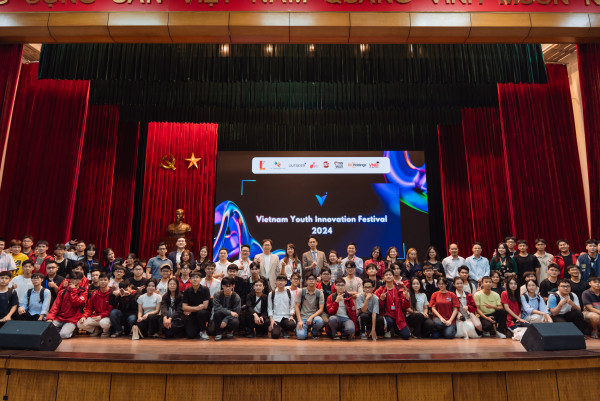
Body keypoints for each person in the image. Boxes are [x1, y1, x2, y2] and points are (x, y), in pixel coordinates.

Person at [46, 271, 88, 339]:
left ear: (80, 280)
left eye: (77, 279)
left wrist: (73, 290)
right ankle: (60, 331)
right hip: (60, 317)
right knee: (47, 330)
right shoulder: (62, 292)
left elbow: (76, 303)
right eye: (72, 279)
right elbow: (55, 306)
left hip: (72, 319)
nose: (74, 281)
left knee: (63, 335)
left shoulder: (83, 292)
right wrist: (50, 318)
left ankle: (70, 331)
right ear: (69, 279)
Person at [375, 269, 410, 339]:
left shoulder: (399, 289)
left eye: (390, 275)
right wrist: (381, 300)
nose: (388, 276)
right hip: (386, 315)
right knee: (388, 321)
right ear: (383, 278)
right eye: (386, 275)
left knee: (406, 336)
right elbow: (377, 308)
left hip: (398, 317)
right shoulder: (380, 290)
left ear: (393, 277)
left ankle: (396, 331)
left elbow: (405, 306)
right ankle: (386, 331)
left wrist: (407, 298)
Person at [77, 273, 112, 337]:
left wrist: (101, 316)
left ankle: (106, 331)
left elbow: (111, 309)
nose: (103, 282)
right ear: (98, 281)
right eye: (101, 280)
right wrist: (84, 316)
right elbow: (88, 307)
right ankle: (96, 330)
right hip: (96, 316)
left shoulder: (111, 293)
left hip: (106, 317)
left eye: (105, 280)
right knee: (80, 324)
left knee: (104, 323)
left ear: (109, 281)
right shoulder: (95, 294)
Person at [295, 273, 325, 340]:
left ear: (316, 281)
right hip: (303, 317)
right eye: (309, 279)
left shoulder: (319, 293)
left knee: (319, 321)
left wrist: (311, 317)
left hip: (314, 317)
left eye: (313, 279)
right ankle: (304, 329)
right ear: (306, 281)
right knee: (301, 336)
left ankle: (314, 332)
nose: (311, 281)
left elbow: (321, 309)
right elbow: (296, 306)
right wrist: (299, 320)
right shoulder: (301, 291)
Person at [182, 272, 210, 340]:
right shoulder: (187, 291)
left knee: (201, 312)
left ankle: (203, 331)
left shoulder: (205, 289)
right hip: (193, 314)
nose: (195, 279)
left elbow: (205, 306)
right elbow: (184, 307)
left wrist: (190, 308)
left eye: (197, 278)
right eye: (193, 278)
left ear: (200, 279)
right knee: (190, 335)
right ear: (190, 280)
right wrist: (196, 308)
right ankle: (198, 329)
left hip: (204, 313)